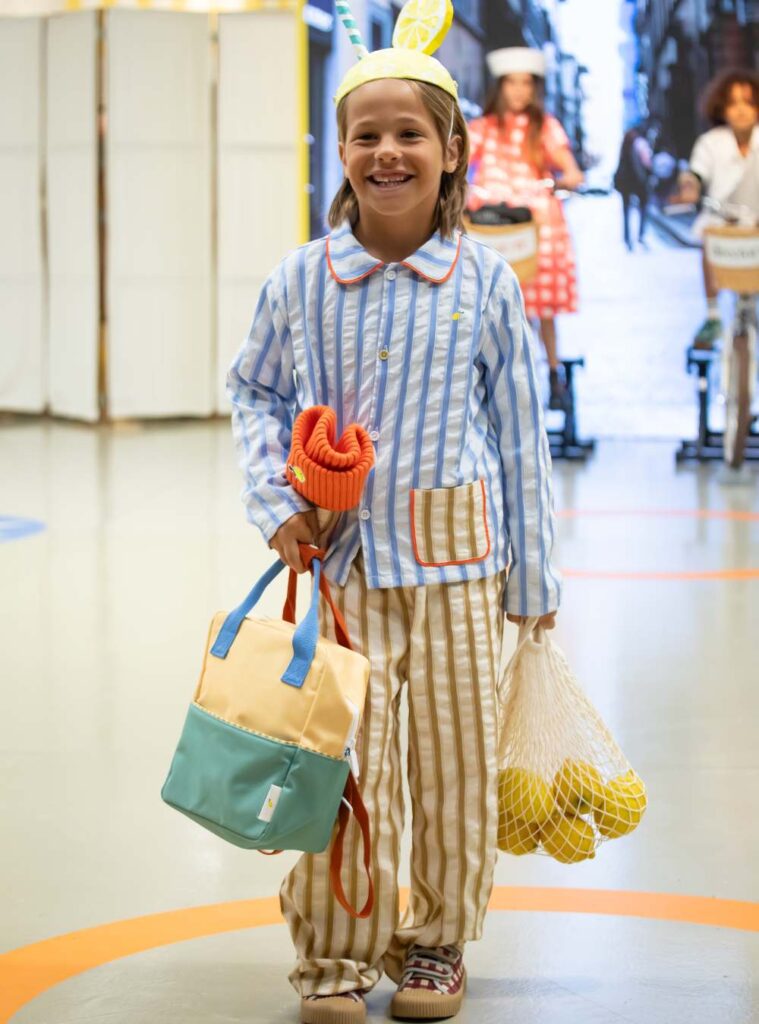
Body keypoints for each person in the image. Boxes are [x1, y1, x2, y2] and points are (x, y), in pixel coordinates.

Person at [226, 7, 561, 1024]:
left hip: (460, 573)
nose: (387, 152)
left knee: (455, 771)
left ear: (452, 151)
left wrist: (534, 582)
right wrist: (278, 500)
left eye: (410, 133)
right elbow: (254, 391)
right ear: (342, 151)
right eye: (365, 134)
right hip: (343, 577)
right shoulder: (302, 281)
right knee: (342, 773)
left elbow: (519, 437)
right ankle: (332, 957)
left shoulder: (488, 287)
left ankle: (435, 944)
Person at [467, 47, 584, 411]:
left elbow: (571, 169)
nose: (519, 91)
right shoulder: (482, 128)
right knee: (496, 303)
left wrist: (567, 180)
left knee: (542, 304)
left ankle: (553, 372)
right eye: (512, 83)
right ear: (499, 87)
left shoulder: (545, 128)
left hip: (535, 221)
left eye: (527, 84)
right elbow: (455, 162)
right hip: (494, 220)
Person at [677, 68, 759, 350]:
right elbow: (695, 173)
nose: (741, 110)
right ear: (721, 107)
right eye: (733, 103)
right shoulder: (710, 142)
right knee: (708, 240)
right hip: (721, 220)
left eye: (748, 102)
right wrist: (689, 187)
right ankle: (712, 313)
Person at [613, 121, 653, 250]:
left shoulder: (624, 145)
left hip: (625, 183)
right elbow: (647, 162)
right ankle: (640, 235)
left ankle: (627, 239)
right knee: (643, 207)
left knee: (626, 211)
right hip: (638, 181)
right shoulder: (640, 143)